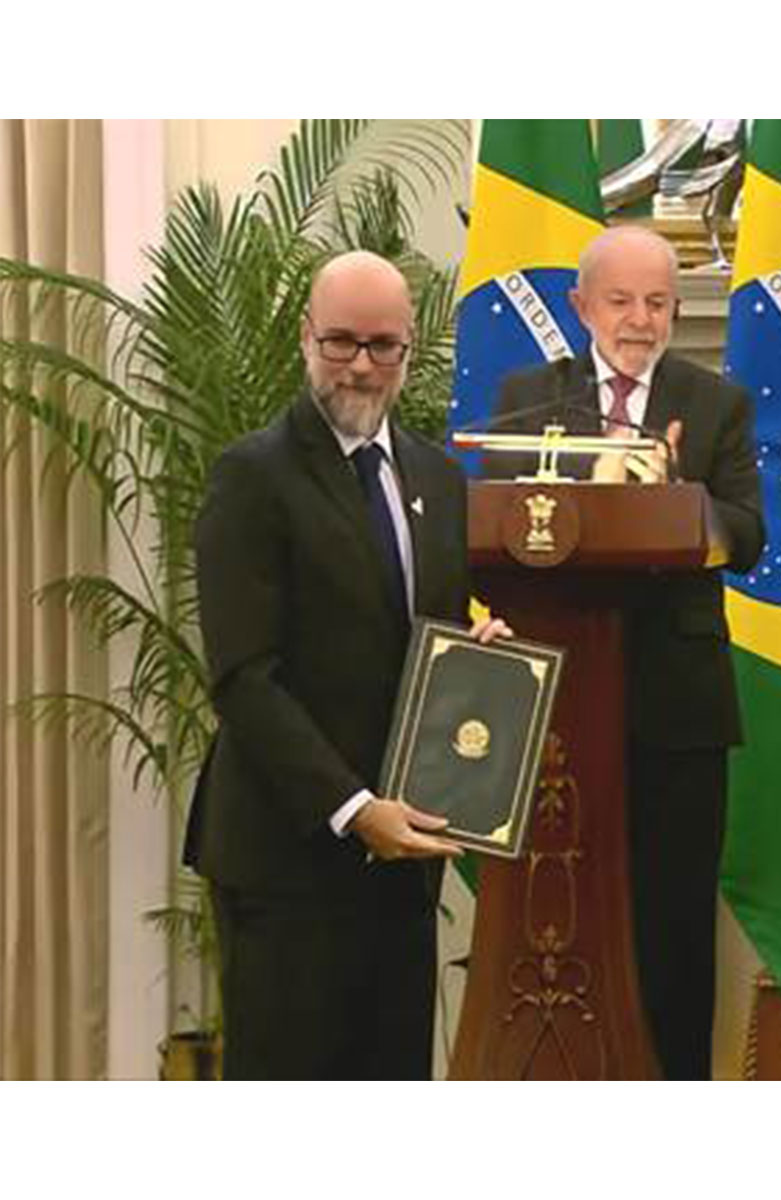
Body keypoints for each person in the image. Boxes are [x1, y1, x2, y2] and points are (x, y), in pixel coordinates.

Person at [185, 251, 509, 1079]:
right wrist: (354, 807)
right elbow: (243, 678)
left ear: (407, 350)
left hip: (404, 863)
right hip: (289, 860)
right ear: (306, 338)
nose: (360, 366)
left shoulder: (437, 474)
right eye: (340, 342)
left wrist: (478, 652)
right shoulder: (252, 476)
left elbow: (419, 627)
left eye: (382, 345)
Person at [488, 225, 765, 1079]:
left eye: (657, 303)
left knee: (671, 923)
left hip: (676, 706)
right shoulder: (531, 396)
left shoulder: (715, 402)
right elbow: (502, 523)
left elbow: (749, 536)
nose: (639, 321)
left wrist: (679, 506)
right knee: (559, 914)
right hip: (561, 700)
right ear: (582, 307)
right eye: (621, 301)